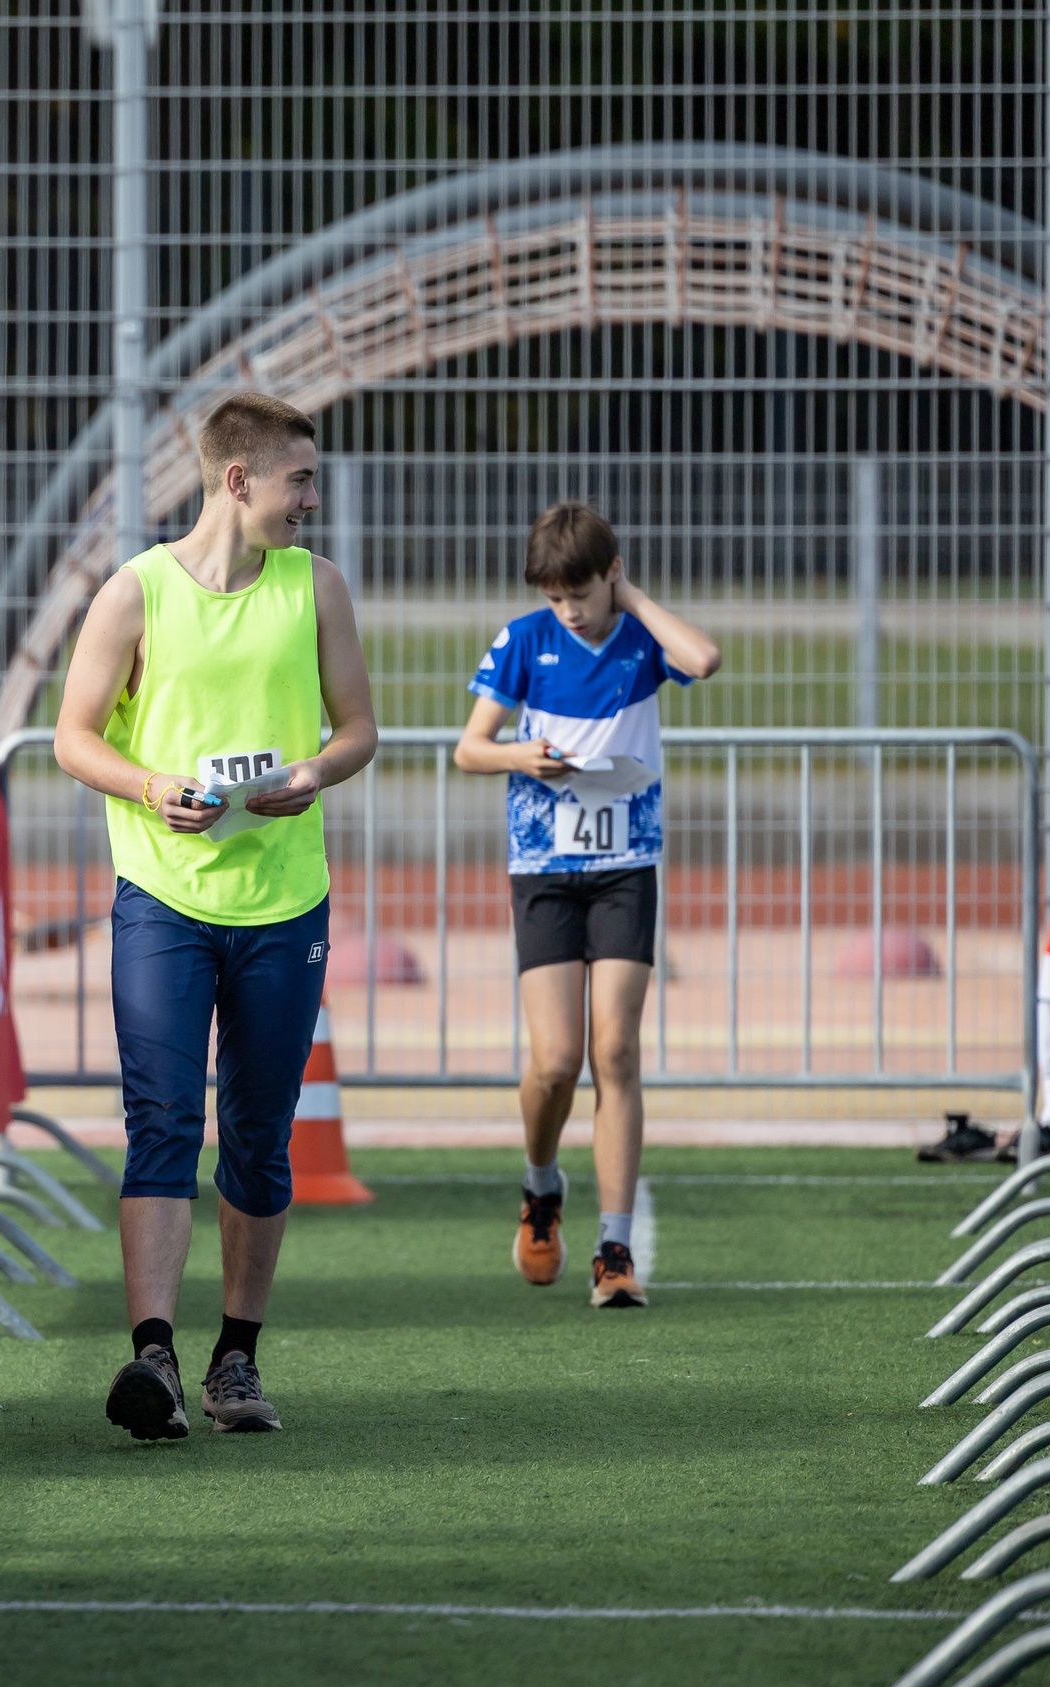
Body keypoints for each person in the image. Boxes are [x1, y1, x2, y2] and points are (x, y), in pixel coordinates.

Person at [53, 391, 378, 1442]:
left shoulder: (315, 586)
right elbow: (70, 735)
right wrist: (149, 788)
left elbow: (358, 726)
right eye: (299, 481)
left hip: (284, 902)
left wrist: (316, 772)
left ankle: (234, 1359)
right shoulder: (135, 591)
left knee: (258, 1136)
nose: (311, 500)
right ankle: (151, 1352)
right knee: (159, 1122)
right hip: (161, 897)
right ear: (237, 482)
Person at [453, 501, 719, 1308]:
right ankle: (541, 1188)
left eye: (581, 591)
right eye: (554, 594)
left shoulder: (639, 637)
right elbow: (469, 749)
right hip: (543, 867)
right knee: (557, 1061)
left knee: (618, 1053)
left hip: (623, 866)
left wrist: (628, 594)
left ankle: (614, 1246)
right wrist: (521, 757)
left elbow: (703, 659)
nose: (567, 608)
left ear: (610, 573)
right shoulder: (525, 640)